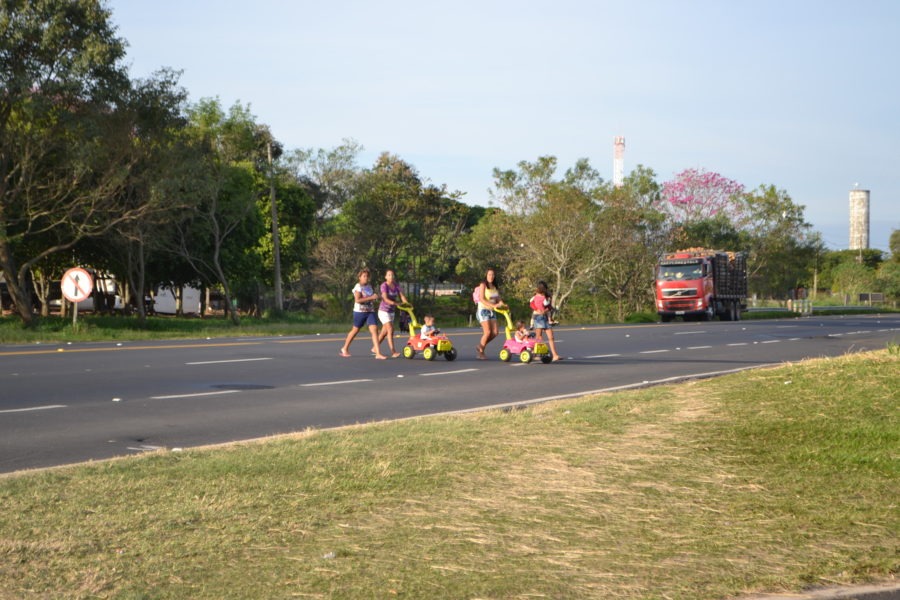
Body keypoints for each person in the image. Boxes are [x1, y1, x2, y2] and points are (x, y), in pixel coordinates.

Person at [339, 268, 387, 359]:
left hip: (370, 311)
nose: (366, 278)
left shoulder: (369, 286)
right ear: (360, 277)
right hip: (359, 312)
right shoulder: (358, 287)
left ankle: (378, 353)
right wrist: (370, 298)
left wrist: (376, 298)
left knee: (375, 330)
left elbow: (371, 298)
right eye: (364, 276)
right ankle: (344, 348)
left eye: (367, 276)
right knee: (355, 330)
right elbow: (358, 300)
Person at [375, 269, 408, 358]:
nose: (391, 276)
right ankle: (393, 352)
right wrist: (396, 303)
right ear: (386, 277)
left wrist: (407, 304)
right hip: (383, 311)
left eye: (392, 275)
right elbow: (385, 298)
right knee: (390, 329)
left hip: (391, 312)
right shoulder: (384, 285)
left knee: (384, 332)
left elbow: (402, 296)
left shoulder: (396, 285)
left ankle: (375, 347)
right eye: (389, 275)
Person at [474, 267, 504, 360]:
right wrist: (493, 305)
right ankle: (480, 353)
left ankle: (480, 346)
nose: (491, 276)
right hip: (483, 310)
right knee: (487, 332)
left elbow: (498, 299)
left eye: (493, 275)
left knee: (495, 332)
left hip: (492, 311)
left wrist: (503, 304)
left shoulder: (494, 287)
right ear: (486, 275)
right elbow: (482, 298)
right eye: (489, 274)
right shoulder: (483, 285)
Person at [530, 281, 561, 362]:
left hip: (545, 317)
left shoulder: (547, 296)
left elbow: (549, 306)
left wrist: (546, 310)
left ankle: (554, 355)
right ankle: (535, 353)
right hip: (538, 317)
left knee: (551, 337)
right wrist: (537, 309)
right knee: (539, 337)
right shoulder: (536, 296)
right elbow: (531, 304)